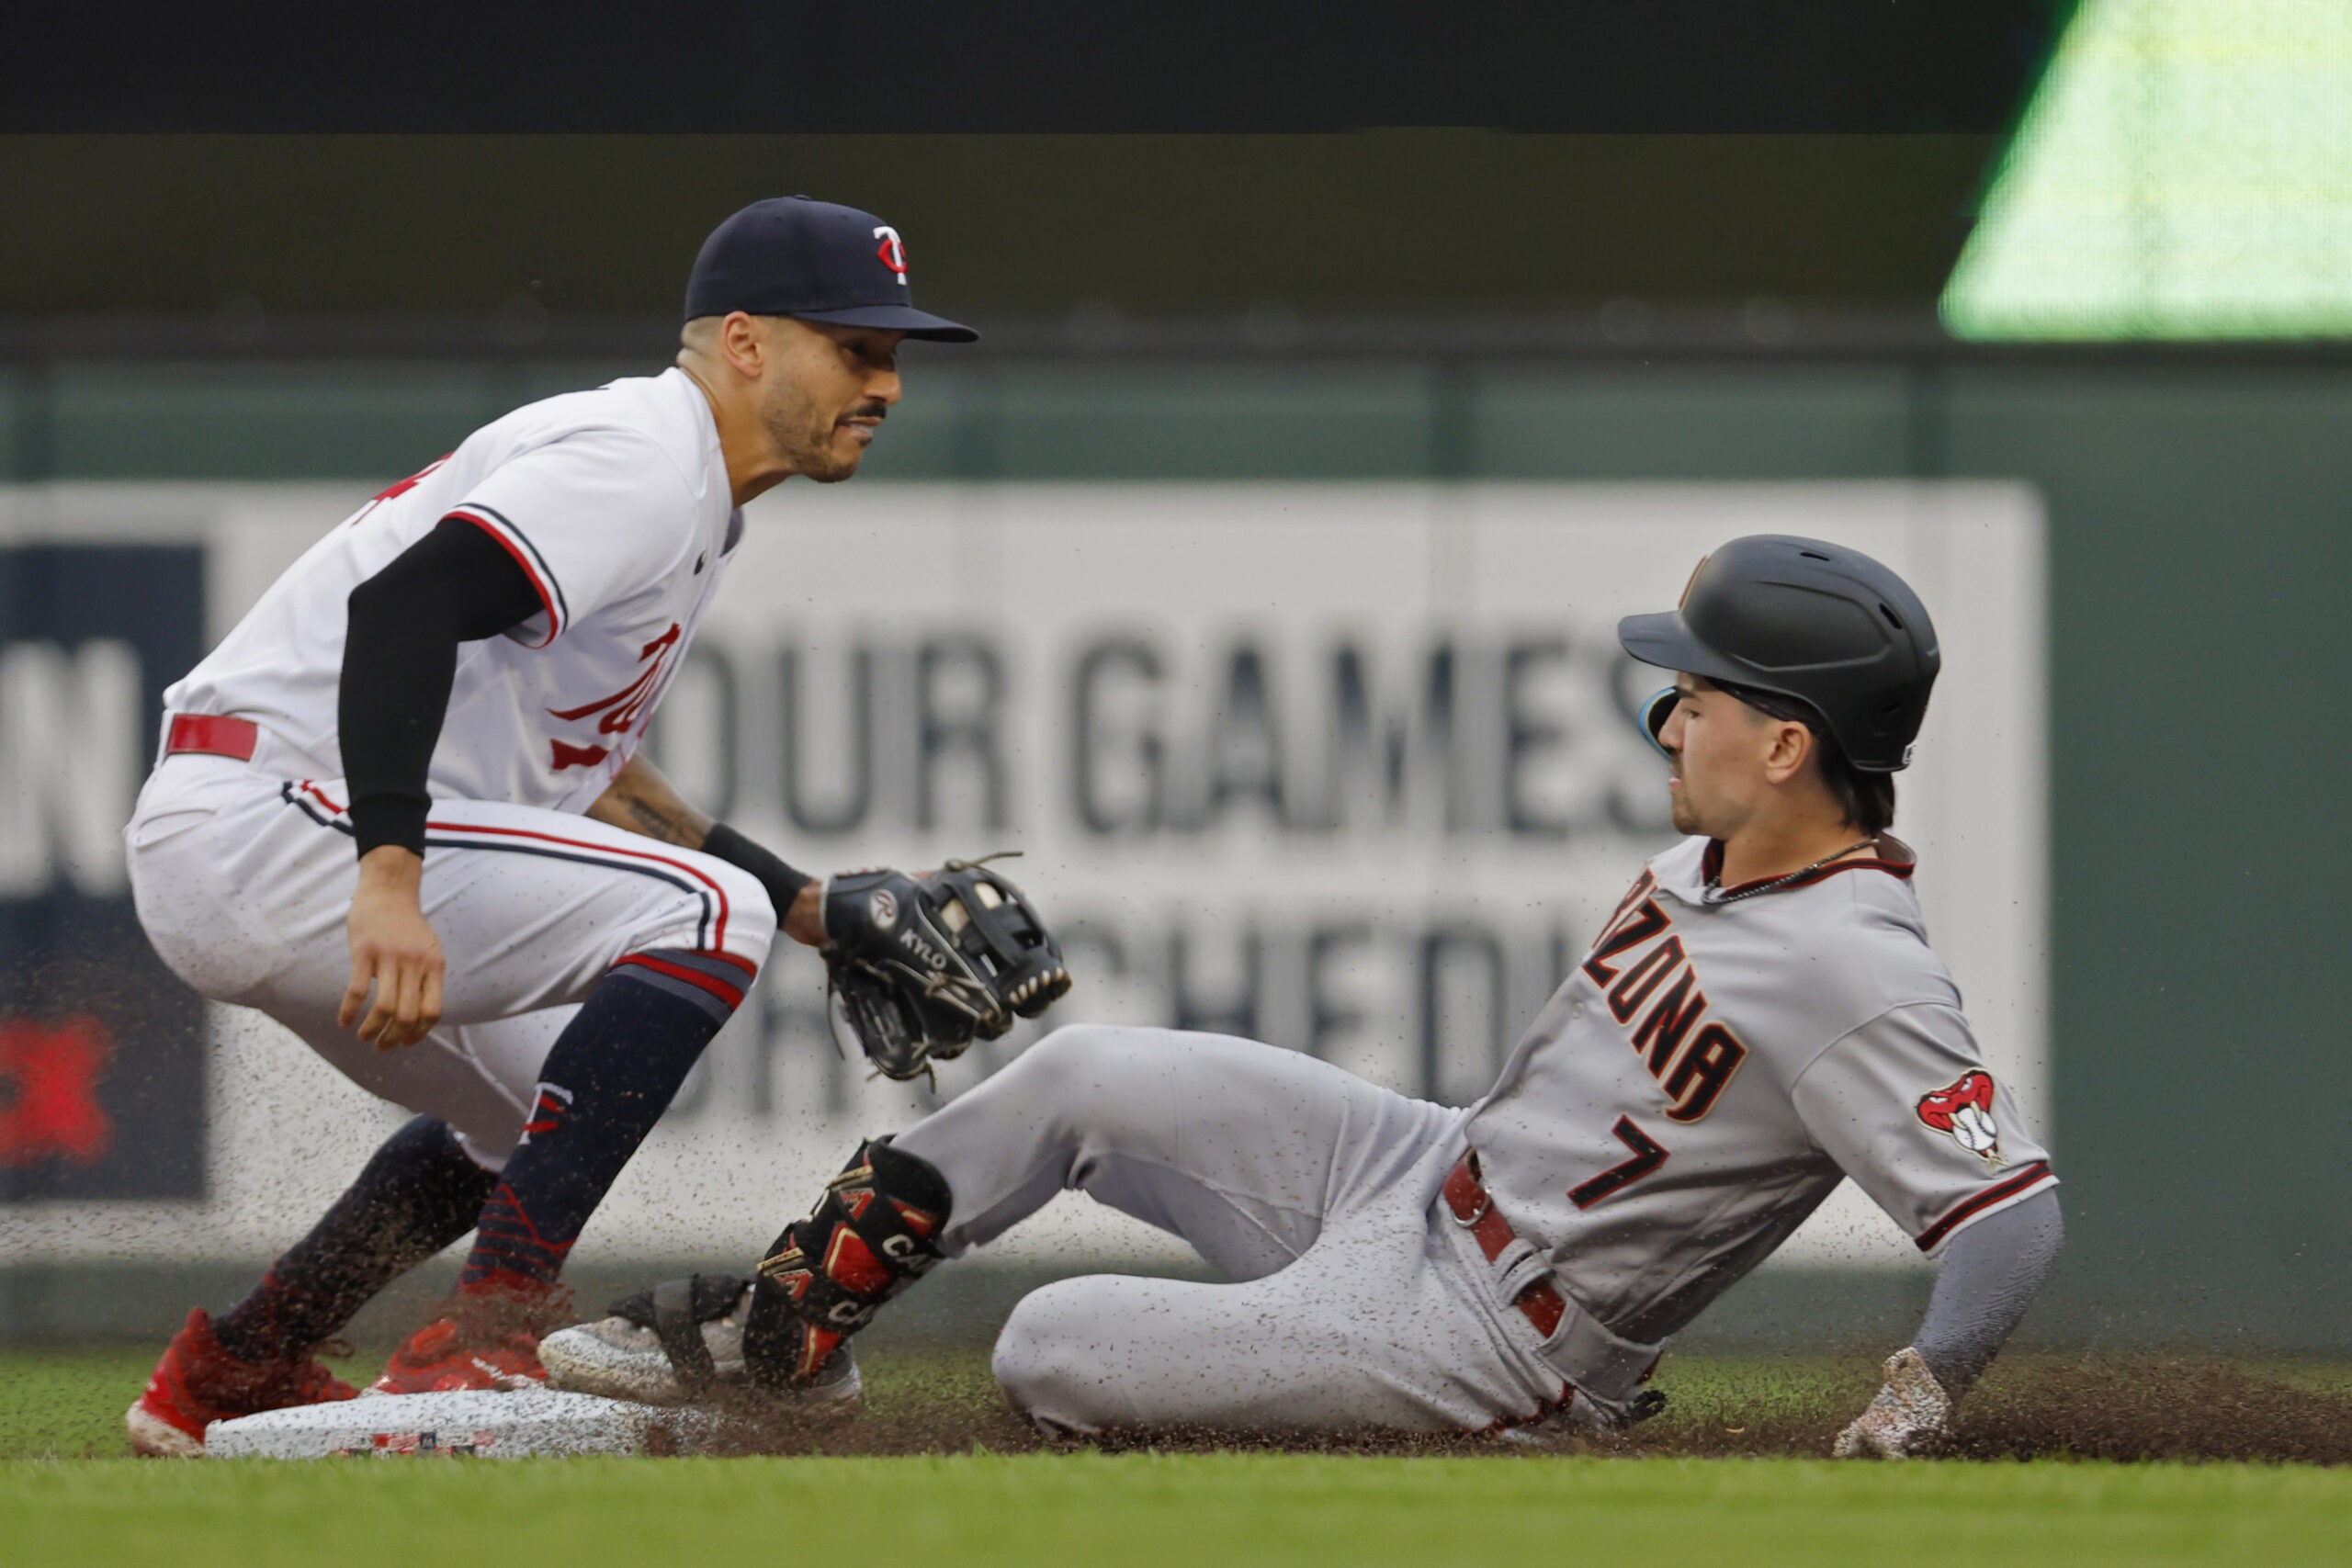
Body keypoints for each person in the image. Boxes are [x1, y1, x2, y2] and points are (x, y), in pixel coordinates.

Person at [549, 535, 2064, 1458]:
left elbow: (2010, 1220)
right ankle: (780, 1339)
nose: (1668, 718)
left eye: (1702, 696)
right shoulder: (1725, 857)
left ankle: (1509, 1447)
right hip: (1420, 1167)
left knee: (1051, 1346)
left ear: (1790, 746)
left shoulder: (1856, 965)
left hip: (1495, 1328)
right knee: (1084, 1079)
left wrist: (1927, 1392)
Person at [120, 197, 977, 1456]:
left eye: (892, 355)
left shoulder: (689, 496)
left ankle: (236, 1366)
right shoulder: (637, 458)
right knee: (701, 917)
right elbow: (401, 614)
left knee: (538, 1107)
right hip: (272, 812)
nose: (886, 383)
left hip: (257, 825)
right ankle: (486, 1339)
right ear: (745, 343)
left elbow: (599, 764)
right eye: (857, 347)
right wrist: (391, 875)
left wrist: (804, 902)